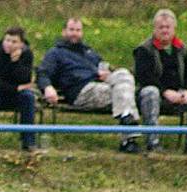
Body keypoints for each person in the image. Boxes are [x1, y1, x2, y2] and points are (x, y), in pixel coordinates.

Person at [38, 18, 141, 153]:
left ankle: (126, 117)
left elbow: (103, 65)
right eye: (71, 30)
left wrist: (105, 73)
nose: (75, 33)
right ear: (64, 32)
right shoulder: (55, 53)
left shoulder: (88, 51)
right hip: (80, 91)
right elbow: (43, 72)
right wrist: (47, 88)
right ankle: (128, 135)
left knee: (124, 74)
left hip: (101, 84)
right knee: (124, 94)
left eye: (78, 30)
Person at [134, 8, 187, 156]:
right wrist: (165, 92)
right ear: (154, 29)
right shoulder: (144, 49)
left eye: (168, 27)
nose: (165, 31)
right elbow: (144, 76)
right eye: (161, 27)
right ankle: (153, 143)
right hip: (156, 94)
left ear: (174, 28)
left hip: (179, 94)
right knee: (149, 92)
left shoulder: (181, 49)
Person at [0, 26, 38, 151]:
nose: (9, 44)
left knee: (28, 96)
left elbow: (25, 78)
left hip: (10, 93)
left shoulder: (26, 54)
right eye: (7, 40)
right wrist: (15, 88)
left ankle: (28, 141)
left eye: (14, 42)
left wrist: (15, 62)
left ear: (21, 44)